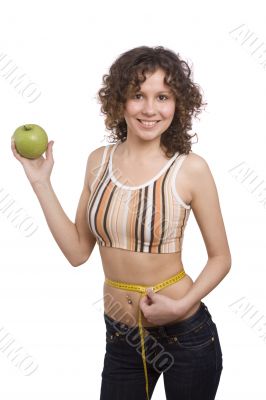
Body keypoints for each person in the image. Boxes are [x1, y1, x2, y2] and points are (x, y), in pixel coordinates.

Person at [11, 45, 231, 400]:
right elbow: (77, 252)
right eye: (137, 95)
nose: (150, 109)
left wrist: (179, 305)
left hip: (184, 334)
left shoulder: (191, 169)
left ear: (178, 104)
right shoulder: (98, 161)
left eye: (163, 96)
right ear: (119, 102)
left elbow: (221, 258)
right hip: (122, 336)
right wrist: (40, 181)